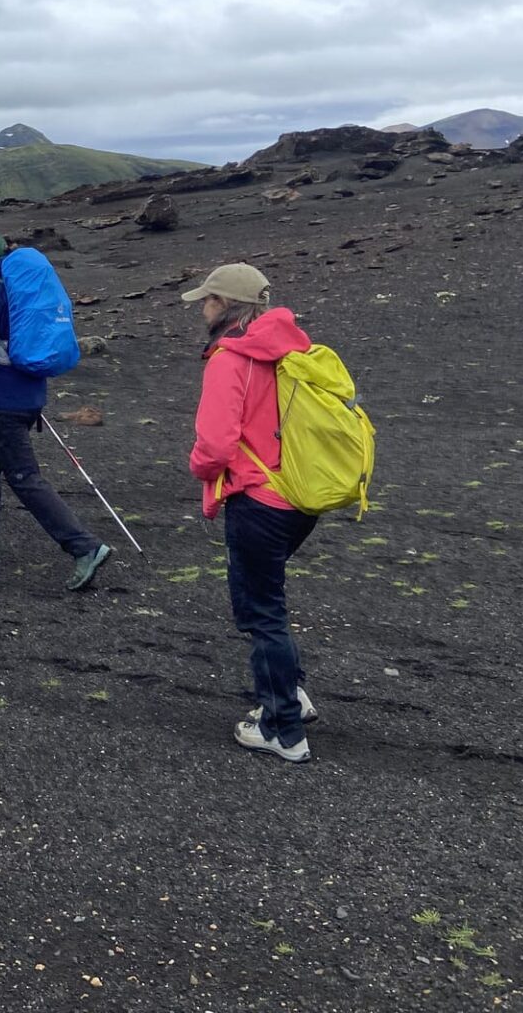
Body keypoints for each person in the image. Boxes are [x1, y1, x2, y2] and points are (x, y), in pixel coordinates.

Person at [184, 262, 320, 764]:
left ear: (225, 305)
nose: (202, 308)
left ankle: (282, 729)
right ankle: (295, 696)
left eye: (207, 299)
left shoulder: (229, 358)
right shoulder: (290, 346)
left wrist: (199, 468)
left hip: (259, 499)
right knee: (270, 604)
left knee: (260, 613)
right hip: (299, 496)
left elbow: (216, 445)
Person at [0, 230, 110, 590]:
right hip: (29, 390)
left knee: (24, 477)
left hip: (3, 398)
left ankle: (84, 546)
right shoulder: (21, 286)